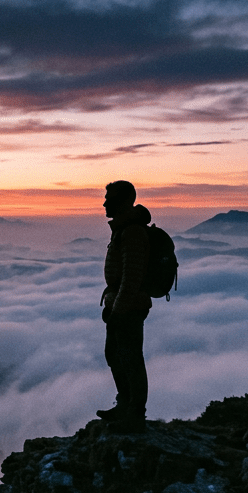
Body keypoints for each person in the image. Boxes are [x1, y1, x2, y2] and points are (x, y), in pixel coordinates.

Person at [97, 180, 152, 432]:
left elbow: (131, 278)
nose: (105, 203)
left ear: (122, 201)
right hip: (119, 306)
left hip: (128, 308)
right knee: (115, 355)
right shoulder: (122, 229)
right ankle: (124, 405)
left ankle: (134, 415)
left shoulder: (131, 232)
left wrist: (118, 311)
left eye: (109, 198)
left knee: (130, 359)